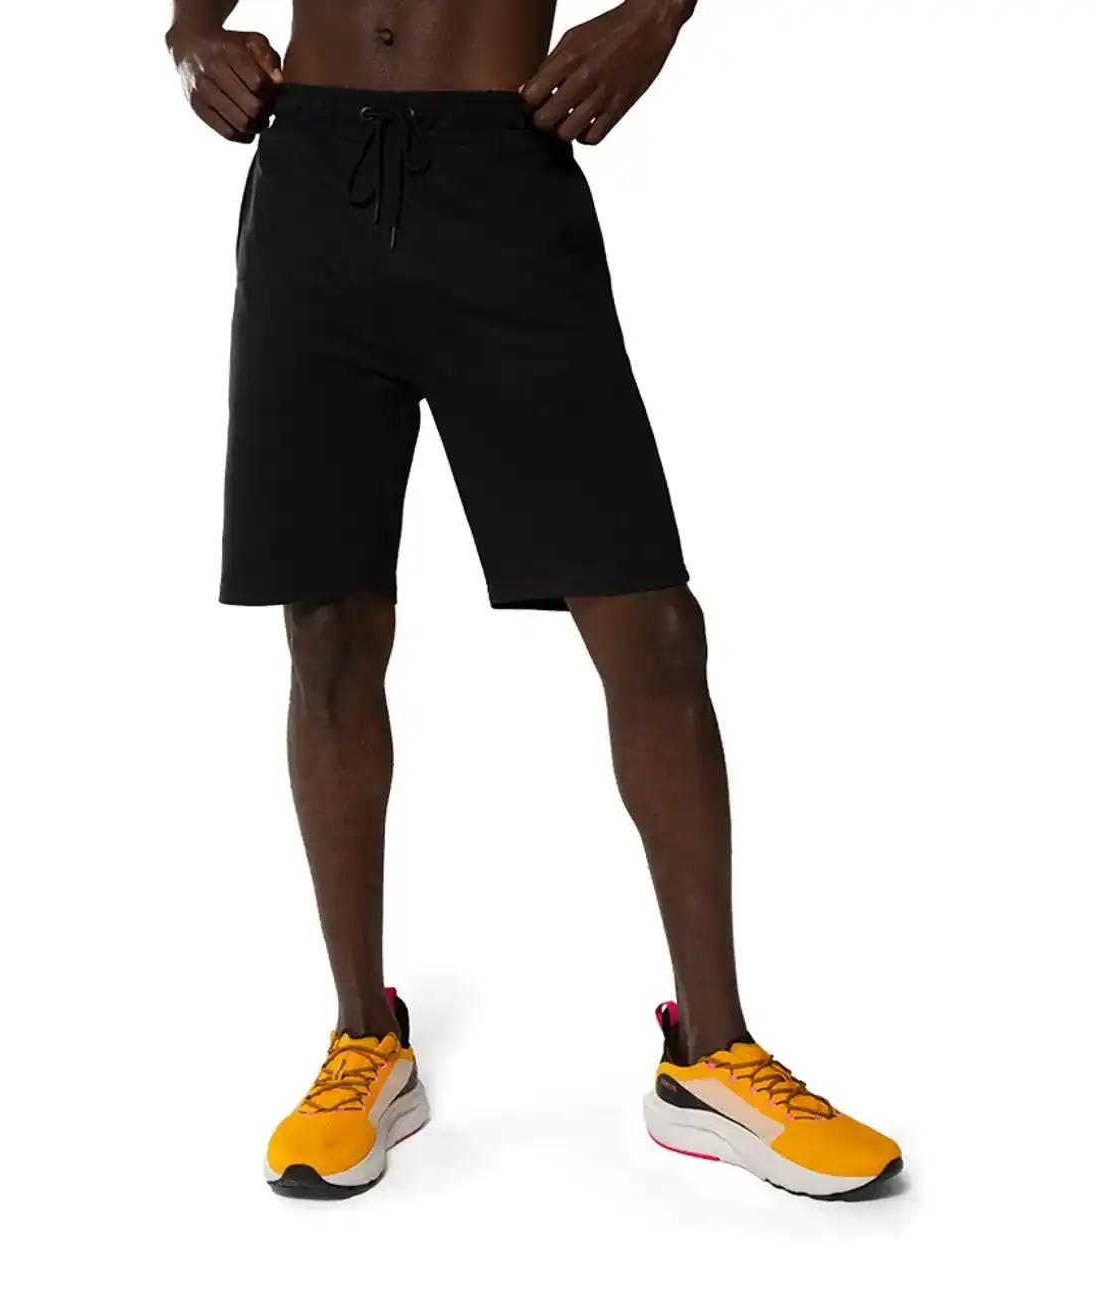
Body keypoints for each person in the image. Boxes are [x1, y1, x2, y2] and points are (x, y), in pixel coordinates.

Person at [166, 0, 902, 1201]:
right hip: (308, 182)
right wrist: (192, 35)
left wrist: (660, 13)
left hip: (501, 174)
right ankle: (364, 1041)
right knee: (329, 627)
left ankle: (710, 1056)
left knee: (650, 625)